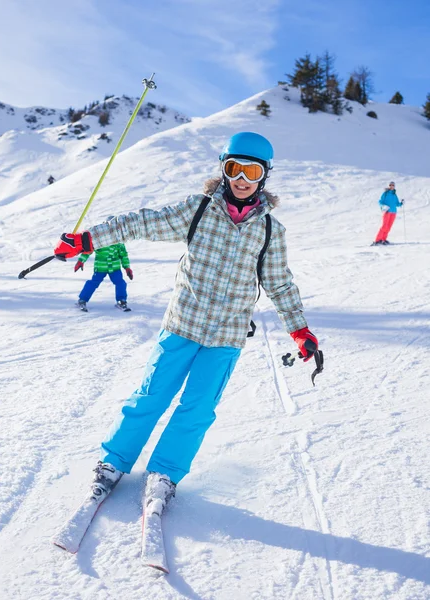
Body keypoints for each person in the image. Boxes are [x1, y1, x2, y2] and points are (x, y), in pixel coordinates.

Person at [54, 131, 318, 511]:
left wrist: (299, 328)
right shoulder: (197, 210)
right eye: (235, 168)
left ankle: (164, 473)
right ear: (224, 170)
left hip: (226, 336)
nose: (243, 178)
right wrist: (88, 240)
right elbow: (140, 223)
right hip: (182, 325)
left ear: (265, 176)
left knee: (197, 409)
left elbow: (278, 281)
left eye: (253, 170)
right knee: (151, 395)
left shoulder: (271, 230)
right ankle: (113, 463)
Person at [74, 242, 133, 312]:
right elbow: (88, 250)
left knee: (120, 283)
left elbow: (123, 255)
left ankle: (121, 301)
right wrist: (81, 261)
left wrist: (127, 267)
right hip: (100, 267)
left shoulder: (119, 241)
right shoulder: (99, 239)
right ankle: (82, 300)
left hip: (115, 268)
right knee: (93, 283)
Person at [372, 181, 403, 246]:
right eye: (390, 185)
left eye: (393, 185)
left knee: (388, 227)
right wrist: (383, 206)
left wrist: (401, 203)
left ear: (394, 186)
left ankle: (383, 239)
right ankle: (378, 240)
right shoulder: (385, 193)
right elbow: (380, 201)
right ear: (389, 186)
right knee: (384, 226)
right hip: (387, 211)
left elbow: (397, 204)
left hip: (393, 212)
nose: (391, 186)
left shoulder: (394, 194)